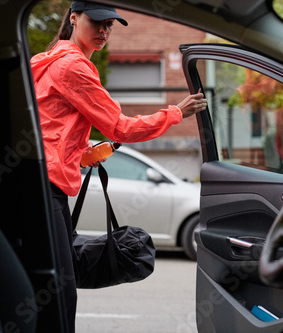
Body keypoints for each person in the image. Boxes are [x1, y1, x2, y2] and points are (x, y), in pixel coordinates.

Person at [30, 1, 207, 331]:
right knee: (61, 290)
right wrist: (177, 113)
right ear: (73, 18)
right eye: (97, 22)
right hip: (44, 187)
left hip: (36, 181)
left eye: (110, 24)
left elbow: (51, 133)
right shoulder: (73, 66)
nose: (103, 30)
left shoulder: (44, 60)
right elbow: (121, 127)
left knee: (47, 282)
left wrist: (91, 153)